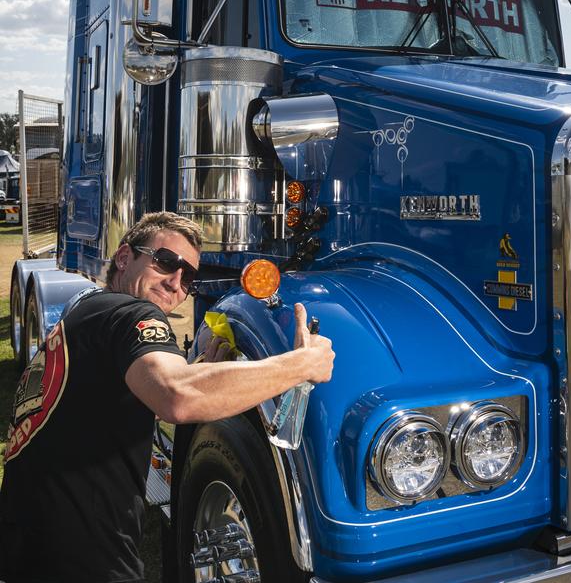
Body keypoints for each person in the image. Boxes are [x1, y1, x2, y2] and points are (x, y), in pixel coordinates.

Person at [0, 211, 334, 583]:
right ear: (125, 258)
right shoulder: (131, 314)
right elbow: (178, 396)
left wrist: (204, 374)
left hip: (27, 552)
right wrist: (301, 364)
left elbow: (105, 411)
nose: (177, 282)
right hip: (85, 564)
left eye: (188, 276)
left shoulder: (87, 314)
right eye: (165, 262)